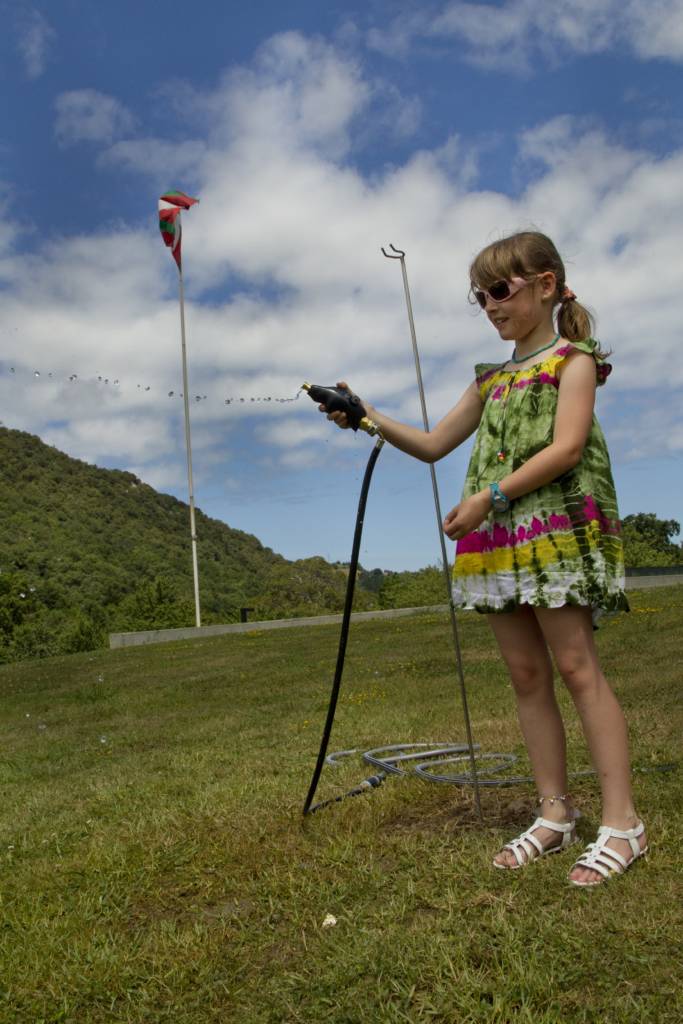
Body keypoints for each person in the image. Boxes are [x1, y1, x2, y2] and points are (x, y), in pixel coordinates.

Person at [320, 230, 647, 887]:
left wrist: (487, 496)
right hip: (497, 544)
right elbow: (435, 442)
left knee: (578, 668)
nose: (490, 305)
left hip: (552, 531)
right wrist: (366, 416)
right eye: (480, 296)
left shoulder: (571, 361)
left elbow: (565, 448)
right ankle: (554, 813)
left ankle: (622, 823)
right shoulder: (489, 379)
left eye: (500, 290)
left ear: (546, 285)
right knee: (526, 676)